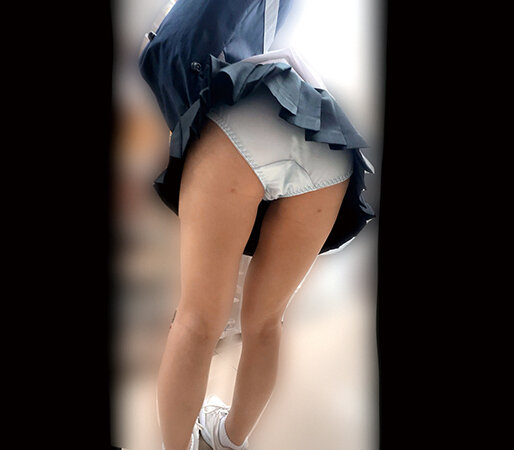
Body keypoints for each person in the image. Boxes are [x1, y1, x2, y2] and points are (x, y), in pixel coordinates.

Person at [137, 1, 376, 448]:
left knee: (196, 322)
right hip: (326, 135)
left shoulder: (174, 45)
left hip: (243, 120)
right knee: (266, 323)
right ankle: (230, 439)